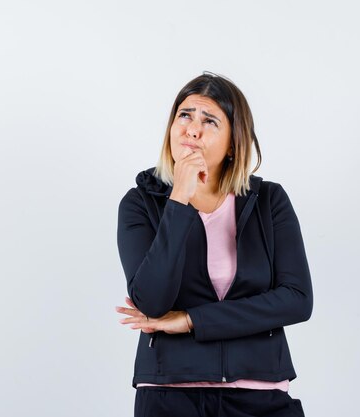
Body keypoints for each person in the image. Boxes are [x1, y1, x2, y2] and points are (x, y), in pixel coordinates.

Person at [115, 72, 313, 417]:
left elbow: (296, 300)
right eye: (185, 115)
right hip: (169, 395)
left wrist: (192, 319)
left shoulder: (269, 201)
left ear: (234, 142)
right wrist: (178, 200)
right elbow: (152, 301)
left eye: (210, 120)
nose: (193, 129)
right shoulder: (140, 203)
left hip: (261, 397)